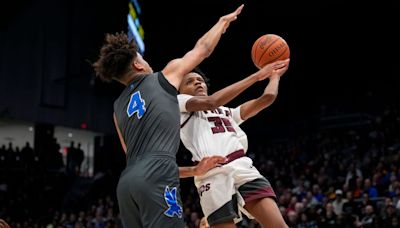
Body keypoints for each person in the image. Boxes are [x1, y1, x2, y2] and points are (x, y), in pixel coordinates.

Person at [92, 4, 244, 228]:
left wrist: (194, 170)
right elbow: (202, 49)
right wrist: (222, 23)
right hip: (157, 174)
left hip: (127, 183)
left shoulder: (117, 108)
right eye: (142, 58)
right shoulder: (162, 79)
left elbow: (133, 157)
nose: (147, 62)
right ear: (137, 64)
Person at [178, 61, 290, 227]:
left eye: (199, 80)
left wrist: (274, 77)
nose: (197, 82)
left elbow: (267, 98)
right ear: (181, 91)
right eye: (189, 81)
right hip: (211, 175)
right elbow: (211, 102)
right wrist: (257, 76)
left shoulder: (227, 111)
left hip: (242, 167)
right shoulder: (178, 103)